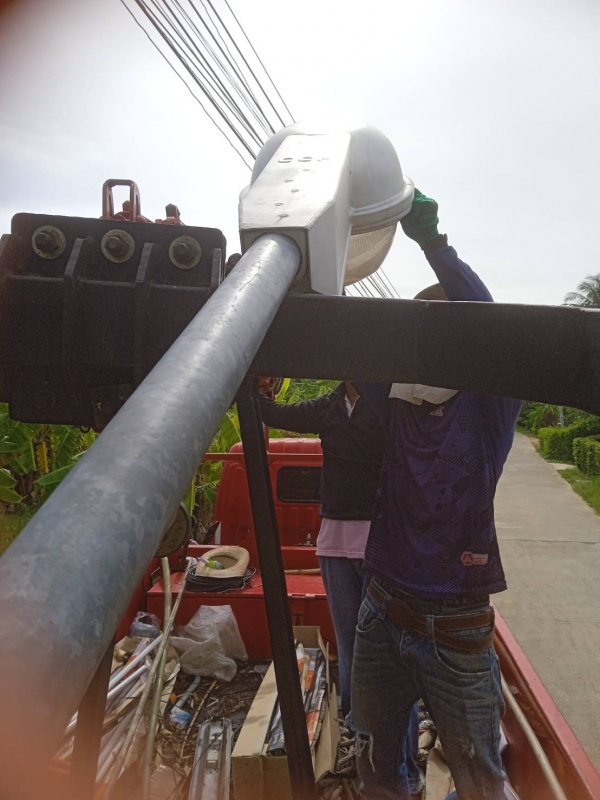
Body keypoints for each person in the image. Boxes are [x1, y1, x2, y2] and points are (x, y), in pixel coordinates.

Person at [351, 189, 522, 800]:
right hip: (381, 607)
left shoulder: (489, 406)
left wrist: (433, 244)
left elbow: (487, 325)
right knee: (375, 758)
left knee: (481, 780)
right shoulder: (397, 400)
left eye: (445, 336)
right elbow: (345, 337)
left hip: (456, 626)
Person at [257, 381, 423, 795]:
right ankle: (368, 758)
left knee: (389, 661)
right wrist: (258, 387)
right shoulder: (329, 406)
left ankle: (404, 768)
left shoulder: (392, 402)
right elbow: (273, 414)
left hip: (384, 547)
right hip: (334, 545)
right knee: (351, 656)